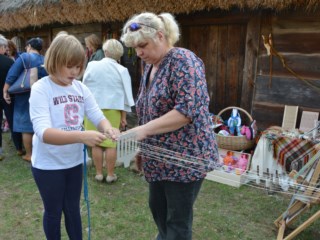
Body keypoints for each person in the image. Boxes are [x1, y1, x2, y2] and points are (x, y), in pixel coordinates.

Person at [121, 12, 219, 240]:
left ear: (160, 36)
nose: (139, 53)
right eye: (134, 48)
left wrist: (143, 131)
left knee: (177, 222)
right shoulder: (150, 67)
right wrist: (143, 147)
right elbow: (148, 111)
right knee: (158, 212)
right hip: (159, 159)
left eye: (142, 45)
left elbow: (187, 111)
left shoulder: (184, 61)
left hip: (185, 160)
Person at [29, 33, 119, 239]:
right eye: (69, 66)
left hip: (73, 163)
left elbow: (97, 114)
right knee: (53, 212)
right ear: (55, 60)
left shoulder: (80, 88)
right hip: (48, 165)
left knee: (72, 209)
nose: (75, 72)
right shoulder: (41, 89)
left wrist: (108, 128)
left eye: (78, 66)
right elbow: (44, 133)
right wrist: (81, 136)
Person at [83, 39, 134, 183]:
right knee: (111, 142)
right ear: (119, 55)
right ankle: (111, 175)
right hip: (113, 110)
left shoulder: (92, 65)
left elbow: (84, 87)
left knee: (96, 142)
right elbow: (125, 95)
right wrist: (124, 116)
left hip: (93, 109)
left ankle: (99, 174)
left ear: (105, 52)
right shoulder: (122, 70)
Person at [4, 37, 47, 162]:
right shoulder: (44, 59)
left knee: (26, 124)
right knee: (39, 121)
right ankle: (40, 152)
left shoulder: (24, 57)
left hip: (25, 94)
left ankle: (29, 154)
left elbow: (12, 74)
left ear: (29, 46)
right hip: (41, 93)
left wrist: (5, 89)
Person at [0, 36, 24, 158]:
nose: (6, 49)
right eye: (4, 47)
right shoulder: (9, 62)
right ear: (2, 47)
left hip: (6, 95)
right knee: (12, 120)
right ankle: (19, 147)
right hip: (8, 95)